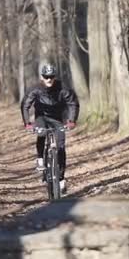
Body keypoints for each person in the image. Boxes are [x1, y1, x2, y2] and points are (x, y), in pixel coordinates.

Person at [21, 64, 79, 192]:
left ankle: (61, 178)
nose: (49, 79)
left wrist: (71, 121)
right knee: (41, 133)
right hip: (41, 117)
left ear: (54, 77)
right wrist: (27, 123)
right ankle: (40, 158)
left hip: (57, 118)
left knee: (61, 147)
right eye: (46, 77)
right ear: (42, 77)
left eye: (51, 77)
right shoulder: (36, 89)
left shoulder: (62, 88)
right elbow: (25, 105)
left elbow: (73, 103)